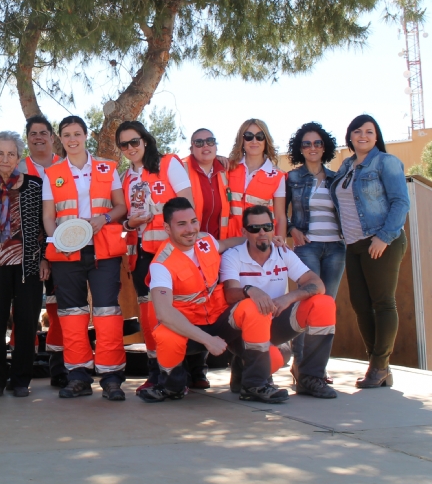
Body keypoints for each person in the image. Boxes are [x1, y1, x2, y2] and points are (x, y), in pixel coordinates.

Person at [145, 197, 287, 404]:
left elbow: (228, 243)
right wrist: (207, 340)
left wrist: (262, 238)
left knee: (256, 314)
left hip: (219, 320)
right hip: (189, 330)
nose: (190, 229)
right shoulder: (161, 264)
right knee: (166, 334)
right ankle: (171, 386)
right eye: (181, 224)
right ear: (167, 228)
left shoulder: (205, 241)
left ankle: (255, 385)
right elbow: (164, 314)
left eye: (193, 221)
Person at [42, 116, 128, 400]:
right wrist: (58, 242)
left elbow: (120, 207)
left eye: (77, 133)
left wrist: (104, 218)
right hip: (67, 253)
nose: (72, 139)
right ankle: (78, 375)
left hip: (104, 249)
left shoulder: (108, 167)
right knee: (72, 314)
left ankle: (112, 376)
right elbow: (48, 217)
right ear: (60, 138)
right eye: (66, 134)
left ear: (86, 135)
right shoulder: (51, 172)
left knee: (107, 312)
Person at [220, 205, 338, 399]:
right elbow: (230, 294)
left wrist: (288, 297)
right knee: (274, 358)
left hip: (274, 320)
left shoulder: (282, 253)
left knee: (323, 304)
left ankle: (310, 378)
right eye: (254, 229)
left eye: (266, 227)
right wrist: (251, 291)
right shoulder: (233, 255)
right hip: (243, 330)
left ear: (273, 228)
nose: (261, 233)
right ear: (244, 232)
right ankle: (251, 380)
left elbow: (317, 284)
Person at [330, 115, 410, 389]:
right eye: (357, 131)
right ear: (349, 136)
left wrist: (384, 237)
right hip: (352, 244)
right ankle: (378, 365)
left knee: (383, 302)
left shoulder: (386, 162)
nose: (363, 136)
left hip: (381, 241)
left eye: (369, 131)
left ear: (376, 137)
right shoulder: (347, 165)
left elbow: (401, 202)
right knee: (361, 305)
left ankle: (379, 367)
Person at [116, 120, 194, 395]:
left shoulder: (168, 164)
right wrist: (129, 224)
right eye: (123, 145)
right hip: (142, 254)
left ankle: (177, 375)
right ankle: (155, 372)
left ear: (145, 140)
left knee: (172, 313)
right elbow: (125, 219)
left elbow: (187, 206)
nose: (129, 148)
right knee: (148, 316)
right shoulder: (125, 178)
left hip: (171, 253)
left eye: (134, 142)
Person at [0, 131, 49, 398]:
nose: (5, 158)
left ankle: (20, 380)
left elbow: (45, 227)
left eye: (11, 153)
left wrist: (45, 258)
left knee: (27, 324)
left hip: (28, 266)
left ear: (18, 157)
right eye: (0, 153)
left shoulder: (35, 186)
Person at [285, 122, 344, 382]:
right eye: (307, 143)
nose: (312, 147)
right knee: (306, 303)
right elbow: (278, 212)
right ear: (300, 149)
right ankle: (300, 365)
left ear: (325, 147)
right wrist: (290, 228)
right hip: (306, 246)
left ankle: (317, 368)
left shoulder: (336, 178)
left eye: (317, 143)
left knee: (326, 305)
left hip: (335, 248)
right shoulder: (292, 178)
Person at [16, 116, 65, 386]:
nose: (38, 137)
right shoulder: (18, 167)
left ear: (51, 137)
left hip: (63, 246)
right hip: (27, 251)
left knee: (60, 309)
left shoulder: (64, 165)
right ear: (28, 137)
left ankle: (59, 368)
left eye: (43, 133)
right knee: (26, 311)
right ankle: (24, 366)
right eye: (33, 133)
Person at [227, 119, 287, 238]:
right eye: (248, 136)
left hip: (260, 244)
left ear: (266, 140)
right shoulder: (228, 168)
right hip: (229, 242)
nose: (254, 141)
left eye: (260, 136)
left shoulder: (277, 176)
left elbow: (280, 217)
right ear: (242, 140)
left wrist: (280, 249)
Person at [182, 129, 232, 240]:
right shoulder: (180, 169)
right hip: (190, 244)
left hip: (220, 245)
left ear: (216, 146)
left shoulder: (226, 169)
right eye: (199, 143)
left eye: (210, 141)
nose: (205, 145)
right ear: (191, 149)